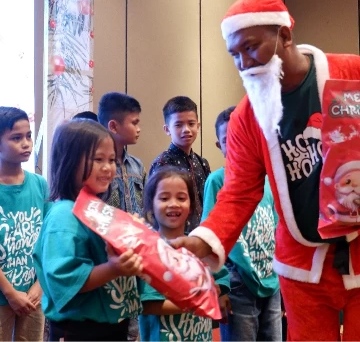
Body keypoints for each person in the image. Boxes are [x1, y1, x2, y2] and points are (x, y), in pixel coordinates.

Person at [171, 0, 360, 341]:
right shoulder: (247, 117)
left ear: (285, 36)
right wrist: (205, 239)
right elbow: (239, 191)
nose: (244, 62)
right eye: (235, 54)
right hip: (302, 263)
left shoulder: (353, 71)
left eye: (251, 47)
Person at [33, 119, 142, 342]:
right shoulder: (63, 215)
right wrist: (113, 268)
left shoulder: (96, 208)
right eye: (98, 159)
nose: (107, 167)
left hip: (111, 325)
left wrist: (129, 232)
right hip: (80, 329)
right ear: (69, 161)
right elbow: (65, 279)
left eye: (112, 160)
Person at [0, 107, 50, 342]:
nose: (26, 143)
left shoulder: (39, 184)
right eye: (16, 138)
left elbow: (46, 238)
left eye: (28, 136)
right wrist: (9, 292)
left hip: (33, 292)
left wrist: (39, 285)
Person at [202, 106, 282, 342]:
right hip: (238, 284)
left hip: (271, 281)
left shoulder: (269, 178)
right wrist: (220, 285)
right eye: (229, 140)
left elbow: (278, 229)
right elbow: (211, 234)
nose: (237, 146)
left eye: (243, 138)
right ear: (220, 145)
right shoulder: (217, 180)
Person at [138, 166, 229, 342]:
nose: (173, 203)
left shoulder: (198, 247)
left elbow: (220, 277)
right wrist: (198, 301)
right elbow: (149, 305)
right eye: (164, 198)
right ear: (151, 204)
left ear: (191, 205)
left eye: (181, 198)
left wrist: (218, 292)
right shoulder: (151, 250)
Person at [98, 92, 146, 341]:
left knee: (134, 323)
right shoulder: (96, 169)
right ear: (114, 126)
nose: (139, 128)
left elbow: (145, 209)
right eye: (134, 123)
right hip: (110, 259)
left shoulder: (137, 166)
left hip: (137, 254)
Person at [149, 96, 211, 234]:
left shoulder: (202, 163)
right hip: (173, 237)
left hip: (201, 236)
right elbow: (155, 209)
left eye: (191, 124)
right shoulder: (163, 163)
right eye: (178, 125)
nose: (186, 130)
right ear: (167, 129)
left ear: (198, 126)